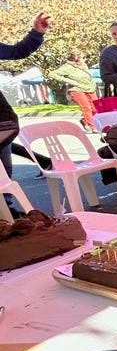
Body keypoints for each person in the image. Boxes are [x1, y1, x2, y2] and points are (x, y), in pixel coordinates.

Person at [1, 13, 52, 216]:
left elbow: (16, 51)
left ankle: (7, 210)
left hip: (2, 121)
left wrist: (36, 33)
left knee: (4, 169)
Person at [49, 50, 97, 131]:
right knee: (86, 107)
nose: (85, 59)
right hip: (77, 89)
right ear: (76, 58)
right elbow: (52, 74)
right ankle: (92, 126)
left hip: (90, 88)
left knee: (96, 107)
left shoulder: (83, 65)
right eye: (83, 57)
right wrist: (68, 81)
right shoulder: (67, 67)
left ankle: (84, 121)